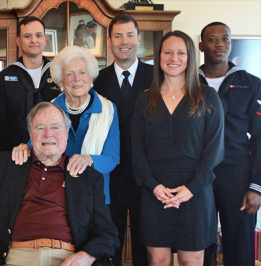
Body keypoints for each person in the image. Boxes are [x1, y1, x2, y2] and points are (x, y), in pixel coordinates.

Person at [0, 102, 119, 266]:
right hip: (15, 257)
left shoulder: (88, 177)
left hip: (67, 259)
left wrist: (85, 257)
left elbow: (107, 233)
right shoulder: (2, 166)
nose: (48, 134)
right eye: (40, 128)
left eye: (56, 127)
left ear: (66, 134)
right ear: (30, 134)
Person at [131, 30, 224, 265]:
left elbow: (214, 150)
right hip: (155, 191)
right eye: (168, 52)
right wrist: (153, 186)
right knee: (158, 260)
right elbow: (136, 149)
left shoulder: (208, 97)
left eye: (181, 52)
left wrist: (191, 189)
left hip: (196, 191)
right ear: (159, 57)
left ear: (190, 57)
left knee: (190, 261)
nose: (174, 58)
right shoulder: (144, 98)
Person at [12, 46, 120, 205]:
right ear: (60, 81)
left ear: (90, 78)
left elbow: (111, 157)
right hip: (56, 194)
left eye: (82, 72)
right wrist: (24, 148)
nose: (77, 78)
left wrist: (88, 159)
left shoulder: (108, 109)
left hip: (94, 194)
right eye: (69, 74)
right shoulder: (50, 108)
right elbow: (34, 144)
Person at [199, 22, 261, 266]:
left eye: (225, 39)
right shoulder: (188, 82)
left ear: (231, 44)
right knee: (198, 245)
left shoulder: (251, 83)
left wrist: (256, 187)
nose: (220, 44)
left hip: (237, 176)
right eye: (213, 39)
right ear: (202, 45)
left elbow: (259, 138)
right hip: (198, 176)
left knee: (240, 247)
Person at [93, 13, 153, 266]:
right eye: (118, 36)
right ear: (110, 41)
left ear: (139, 39)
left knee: (145, 242)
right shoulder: (96, 79)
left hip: (148, 175)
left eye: (130, 35)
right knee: (109, 240)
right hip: (109, 175)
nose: (124, 41)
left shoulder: (157, 76)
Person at [0, 16, 61, 152]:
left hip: (54, 155)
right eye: (27, 36)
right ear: (18, 41)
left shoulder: (60, 75)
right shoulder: (2, 79)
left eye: (38, 35)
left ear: (45, 40)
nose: (33, 40)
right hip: (14, 156)